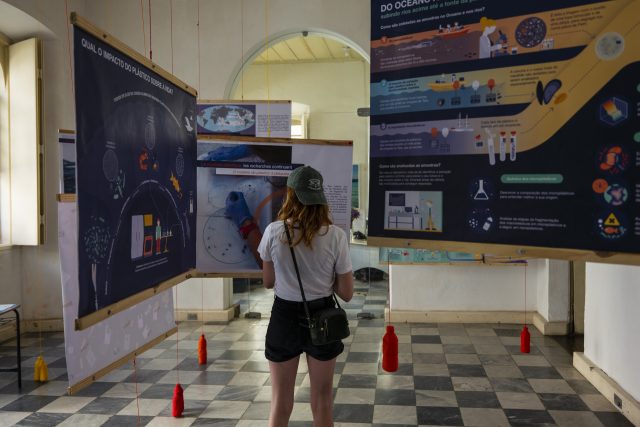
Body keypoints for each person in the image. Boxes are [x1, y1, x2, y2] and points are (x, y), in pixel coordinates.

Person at [257, 165, 354, 427]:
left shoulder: (273, 231)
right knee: (322, 402)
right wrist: (324, 279)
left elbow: (268, 282)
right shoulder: (336, 236)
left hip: (284, 317)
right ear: (320, 197)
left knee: (280, 402)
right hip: (323, 317)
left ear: (290, 195)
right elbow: (346, 293)